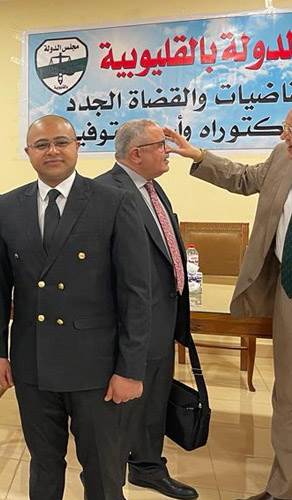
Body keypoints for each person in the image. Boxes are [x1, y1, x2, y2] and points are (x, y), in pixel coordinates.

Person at [0, 114, 150, 500]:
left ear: (78, 147)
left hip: (97, 368)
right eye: (41, 145)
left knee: (103, 471)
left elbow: (136, 293)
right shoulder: (8, 206)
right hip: (33, 363)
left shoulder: (113, 201)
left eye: (61, 142)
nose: (52, 151)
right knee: (44, 466)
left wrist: (130, 369)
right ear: (28, 152)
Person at [165, 110, 292, 500]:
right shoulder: (283, 156)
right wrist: (198, 156)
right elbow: (246, 178)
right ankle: (283, 487)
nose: (285, 136)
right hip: (288, 292)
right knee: (288, 396)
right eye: (286, 128)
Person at [95, 119, 198, 499]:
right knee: (121, 410)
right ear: (136, 154)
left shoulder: (152, 188)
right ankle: (109, 485)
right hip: (129, 324)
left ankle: (148, 467)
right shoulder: (105, 192)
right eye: (160, 145)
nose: (167, 151)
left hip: (161, 317)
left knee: (154, 401)